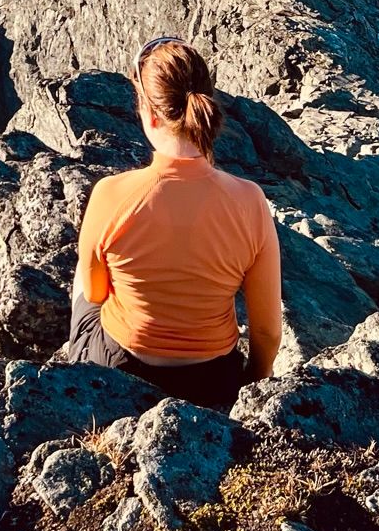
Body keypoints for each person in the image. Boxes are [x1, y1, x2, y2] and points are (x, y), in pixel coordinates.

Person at [66, 34, 283, 410]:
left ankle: (83, 383)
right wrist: (249, 385)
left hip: (122, 368)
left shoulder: (110, 194)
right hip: (213, 380)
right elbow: (267, 330)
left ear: (149, 114)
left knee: (83, 287)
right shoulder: (251, 201)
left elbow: (97, 293)